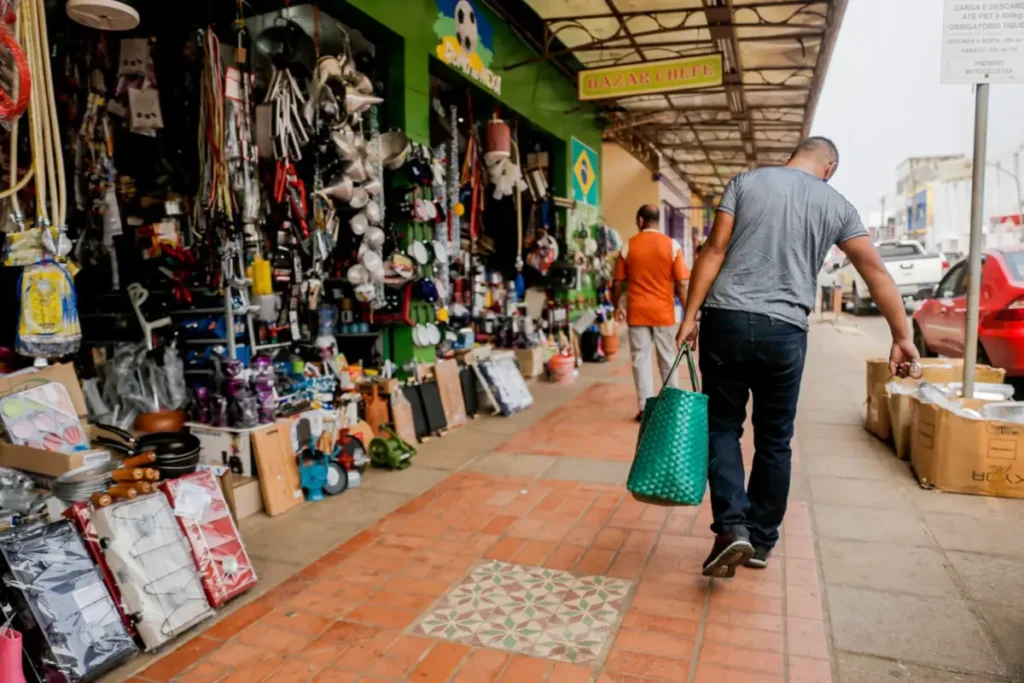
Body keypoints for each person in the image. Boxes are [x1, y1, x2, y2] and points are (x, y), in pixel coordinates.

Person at [676, 137, 921, 578]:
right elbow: (874, 270)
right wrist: (902, 336)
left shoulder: (745, 183)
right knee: (774, 438)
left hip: (726, 321)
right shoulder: (837, 205)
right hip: (785, 331)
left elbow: (713, 250)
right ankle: (760, 540)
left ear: (792, 156)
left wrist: (690, 315)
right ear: (830, 167)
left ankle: (731, 527)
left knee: (723, 426)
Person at [612, 204, 690, 421]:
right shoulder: (672, 245)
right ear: (658, 220)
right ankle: (672, 407)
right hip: (663, 313)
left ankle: (644, 407)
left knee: (640, 359)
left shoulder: (628, 246)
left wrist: (616, 306)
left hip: (637, 312)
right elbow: (682, 283)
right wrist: (689, 314)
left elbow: (617, 283)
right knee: (667, 358)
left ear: (640, 220)